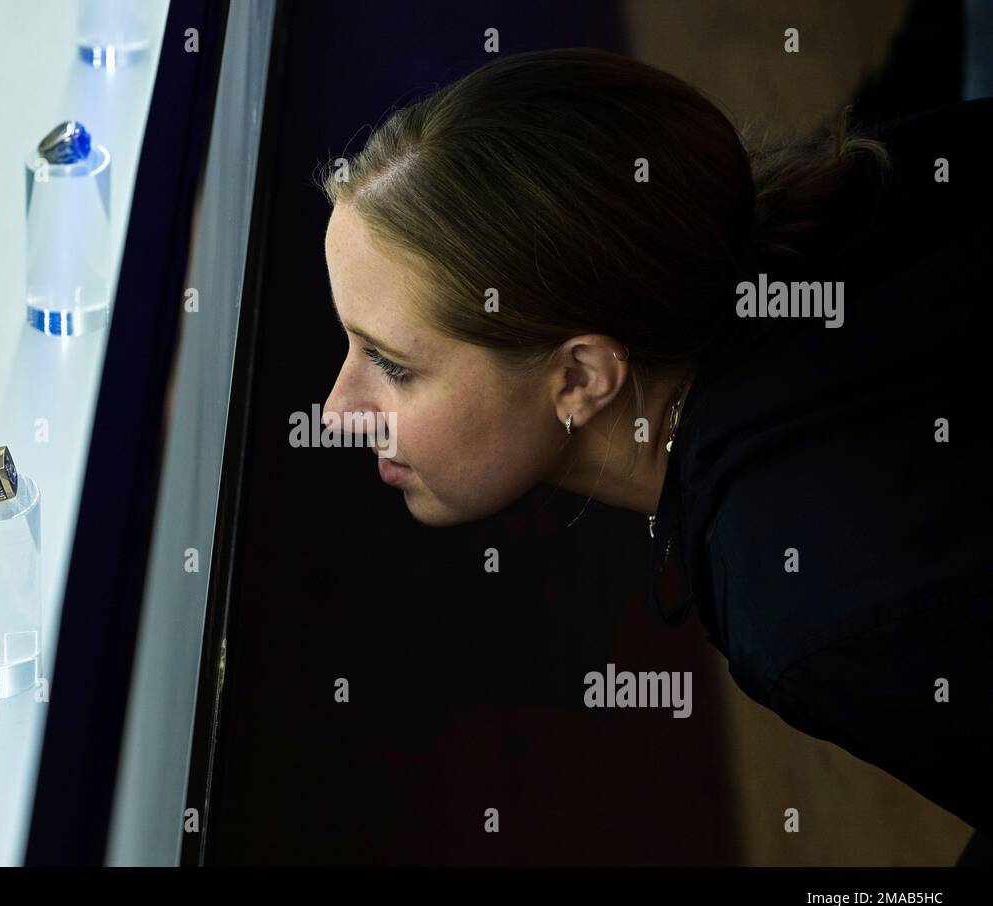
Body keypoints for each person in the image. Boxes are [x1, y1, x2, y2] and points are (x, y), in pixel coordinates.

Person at [318, 49, 991, 842]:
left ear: (582, 377)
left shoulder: (816, 606)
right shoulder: (874, 183)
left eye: (393, 364)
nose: (337, 412)